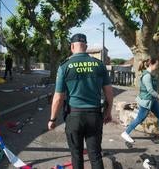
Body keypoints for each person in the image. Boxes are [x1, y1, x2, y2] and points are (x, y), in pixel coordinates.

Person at [48, 33, 113, 169]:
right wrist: (108, 111)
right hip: (94, 116)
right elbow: (108, 92)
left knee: (76, 155)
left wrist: (53, 119)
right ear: (86, 46)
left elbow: (58, 97)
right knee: (95, 155)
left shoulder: (65, 66)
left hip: (74, 117)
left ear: (72, 46)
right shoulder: (99, 65)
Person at [121, 58, 159, 146]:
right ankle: (125, 133)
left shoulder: (150, 74)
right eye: (156, 65)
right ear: (151, 64)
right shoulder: (147, 76)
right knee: (140, 118)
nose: (157, 66)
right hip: (146, 101)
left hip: (152, 101)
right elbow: (150, 90)